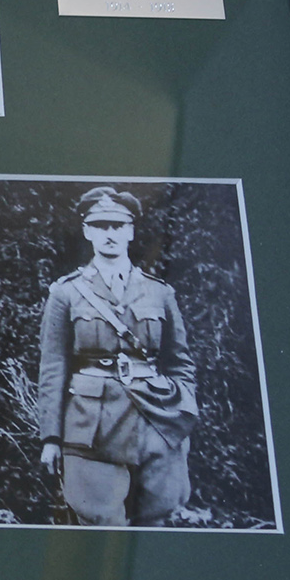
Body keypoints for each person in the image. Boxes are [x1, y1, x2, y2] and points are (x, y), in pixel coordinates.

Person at [35, 186, 197, 526]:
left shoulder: (159, 291)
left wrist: (183, 411)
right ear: (87, 231)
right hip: (91, 423)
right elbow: (53, 366)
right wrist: (51, 437)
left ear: (130, 231)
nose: (109, 234)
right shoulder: (66, 292)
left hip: (155, 419)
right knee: (100, 523)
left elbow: (179, 361)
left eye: (117, 226)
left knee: (157, 519)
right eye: (101, 225)